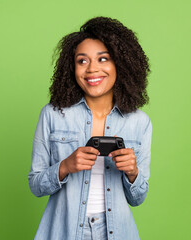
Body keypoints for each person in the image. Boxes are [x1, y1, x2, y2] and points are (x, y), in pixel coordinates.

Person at [28, 16, 152, 240]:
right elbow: (36, 185)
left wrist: (133, 173)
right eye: (82, 61)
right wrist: (65, 166)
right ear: (72, 67)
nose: (92, 69)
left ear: (120, 64)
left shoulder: (139, 122)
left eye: (103, 59)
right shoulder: (53, 114)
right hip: (64, 231)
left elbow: (137, 198)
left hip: (116, 232)